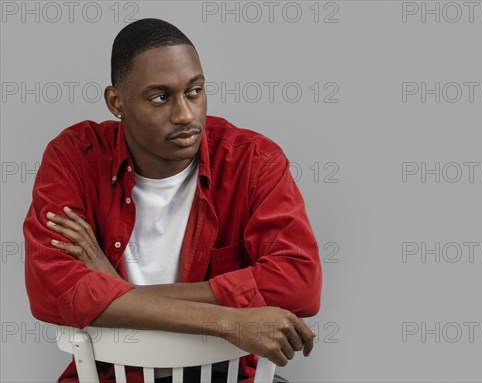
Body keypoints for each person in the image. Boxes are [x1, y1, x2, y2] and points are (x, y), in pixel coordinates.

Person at [22, 18, 322, 383]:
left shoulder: (252, 161)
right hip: (110, 377)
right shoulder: (74, 158)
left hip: (225, 377)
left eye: (194, 92)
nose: (185, 115)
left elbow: (300, 282)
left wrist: (116, 291)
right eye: (160, 97)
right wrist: (227, 321)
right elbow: (52, 291)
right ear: (116, 102)